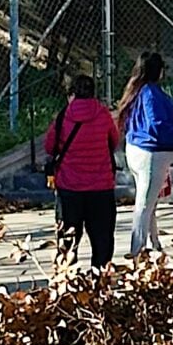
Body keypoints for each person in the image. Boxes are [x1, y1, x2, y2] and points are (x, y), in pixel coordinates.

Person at [41, 71, 122, 270]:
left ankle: (68, 274)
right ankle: (100, 277)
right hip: (101, 186)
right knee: (102, 238)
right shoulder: (103, 114)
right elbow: (114, 141)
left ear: (72, 94)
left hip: (69, 187)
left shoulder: (63, 117)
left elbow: (50, 147)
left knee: (68, 238)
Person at [116, 52, 173, 255]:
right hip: (151, 153)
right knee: (144, 204)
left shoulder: (137, 91)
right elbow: (157, 123)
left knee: (148, 202)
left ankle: (154, 243)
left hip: (137, 149)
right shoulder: (151, 93)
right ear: (159, 71)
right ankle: (137, 250)